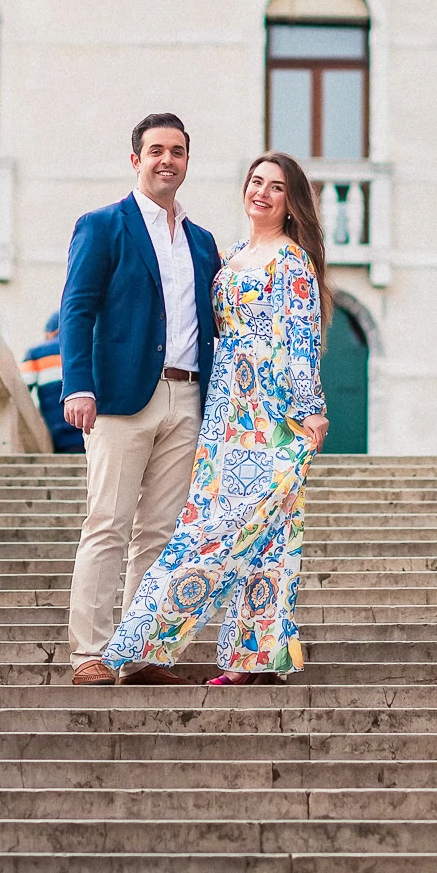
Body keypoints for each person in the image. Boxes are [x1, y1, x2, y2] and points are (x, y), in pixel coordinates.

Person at [102, 151, 330, 686]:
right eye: (256, 182)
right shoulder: (230, 256)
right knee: (232, 529)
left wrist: (311, 408)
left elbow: (301, 340)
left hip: (272, 413)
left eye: (276, 187)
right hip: (224, 410)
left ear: (290, 202)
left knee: (250, 533)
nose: (263, 193)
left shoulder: (292, 261)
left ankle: (158, 637)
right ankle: (251, 658)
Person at [58, 113, 223, 687]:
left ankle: (140, 649)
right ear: (135, 160)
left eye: (177, 151)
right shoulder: (104, 226)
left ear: (186, 162)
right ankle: (90, 654)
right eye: (155, 150)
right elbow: (77, 308)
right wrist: (77, 384)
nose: (166, 160)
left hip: (188, 395)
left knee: (160, 532)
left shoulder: (202, 242)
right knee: (108, 522)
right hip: (120, 398)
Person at [20, 312, 83, 453]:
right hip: (87, 430)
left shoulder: (36, 353)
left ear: (49, 332)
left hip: (56, 431)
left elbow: (22, 389)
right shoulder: (87, 347)